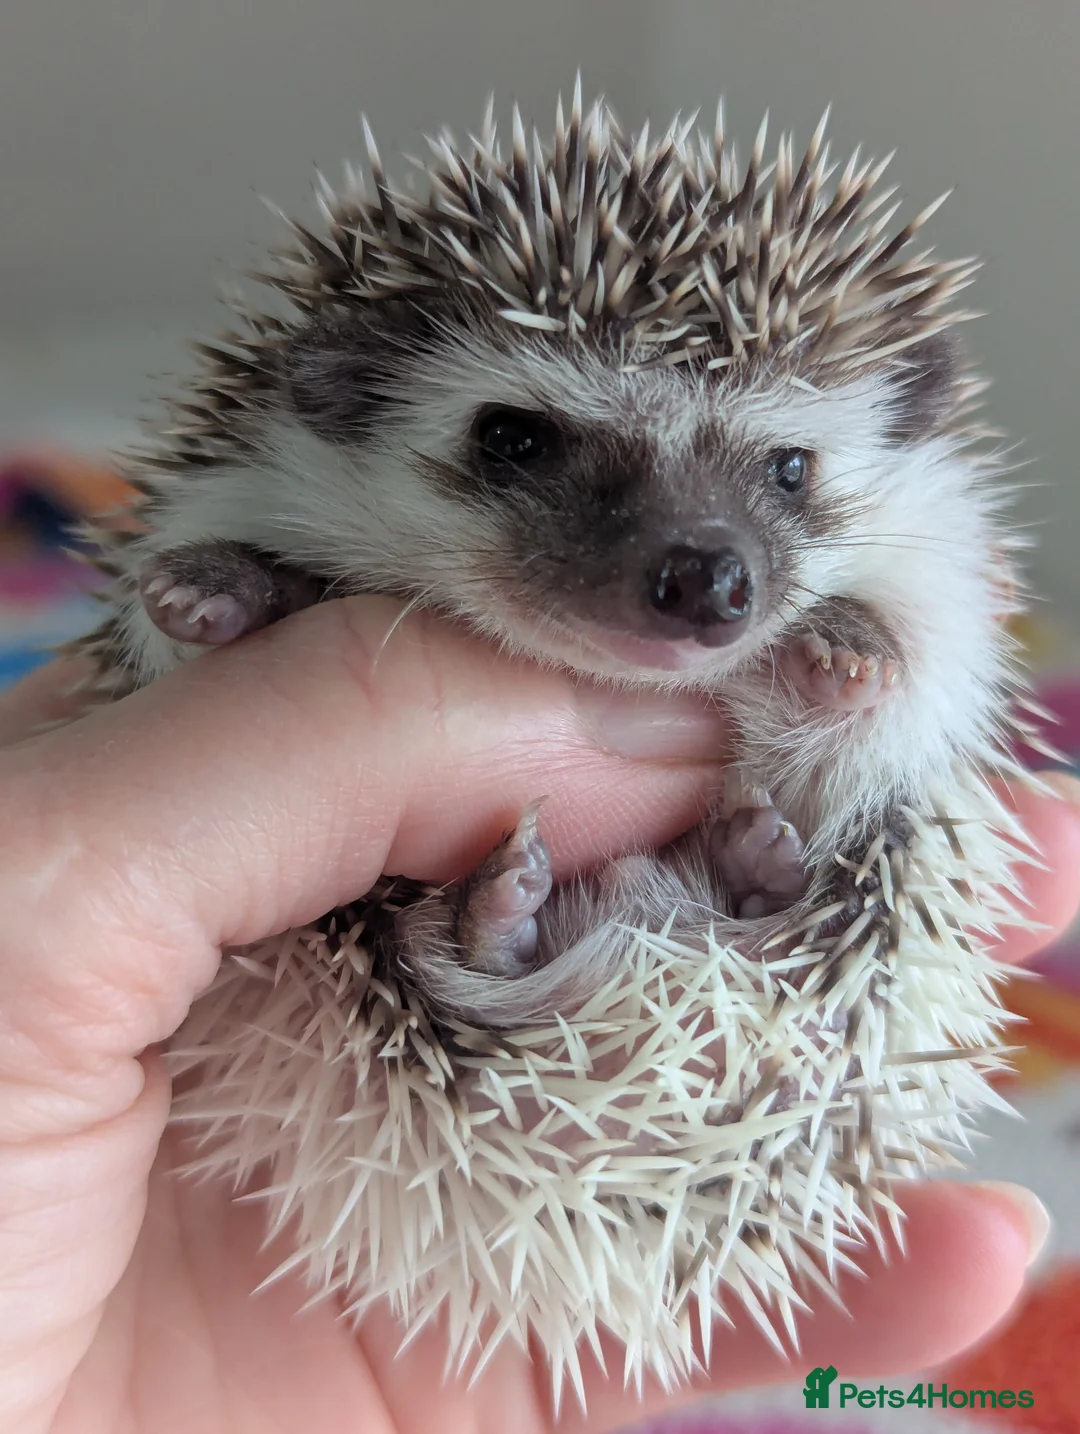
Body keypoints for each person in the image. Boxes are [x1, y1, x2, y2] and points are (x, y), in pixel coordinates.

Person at [0, 595, 1075, 1434]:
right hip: (469, 1082)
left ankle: (549, 953)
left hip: (658, 1028)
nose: (694, 580)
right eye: (524, 443)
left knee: (809, 872)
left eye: (785, 475)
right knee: (405, 1005)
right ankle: (543, 959)